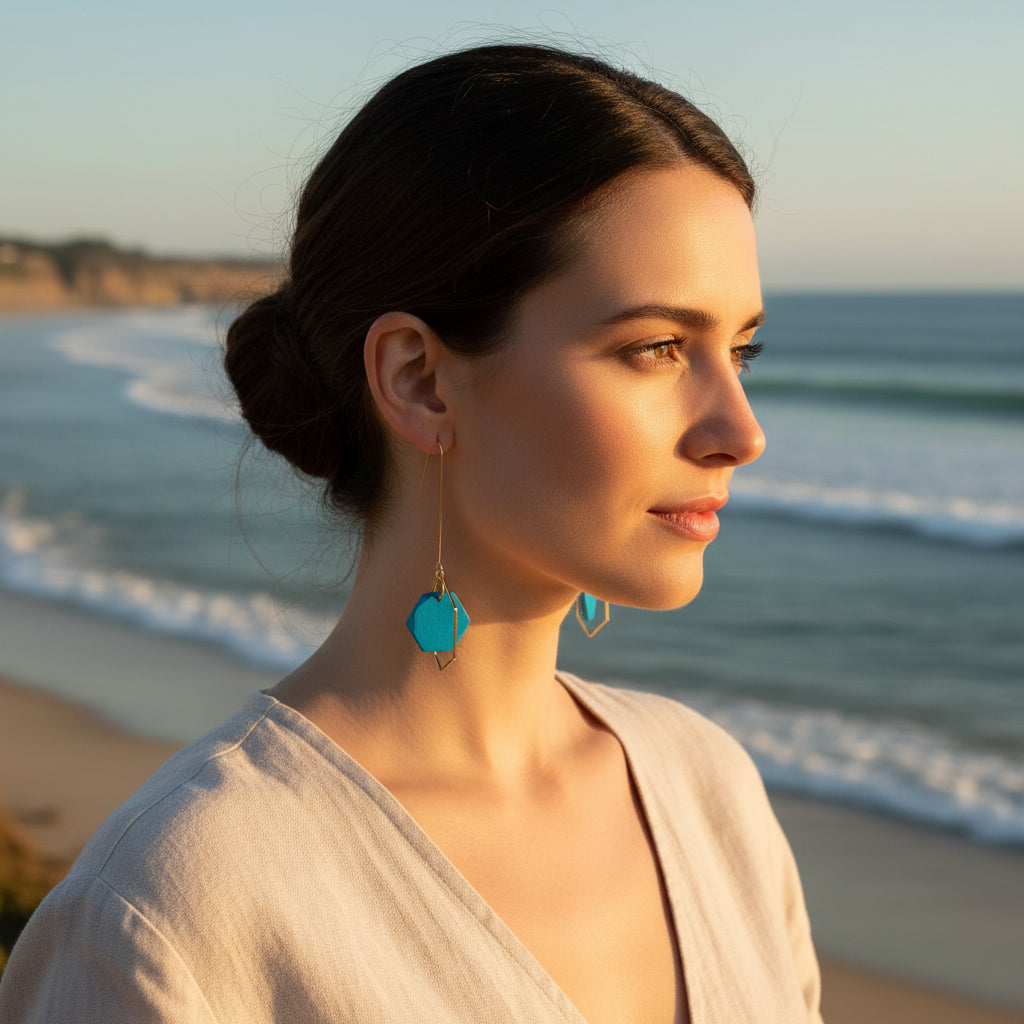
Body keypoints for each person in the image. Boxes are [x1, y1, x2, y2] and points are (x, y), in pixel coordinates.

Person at [0, 43, 823, 1023]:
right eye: (654, 349)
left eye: (740, 350)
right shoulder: (177, 907)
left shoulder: (707, 789)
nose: (741, 430)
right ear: (417, 379)